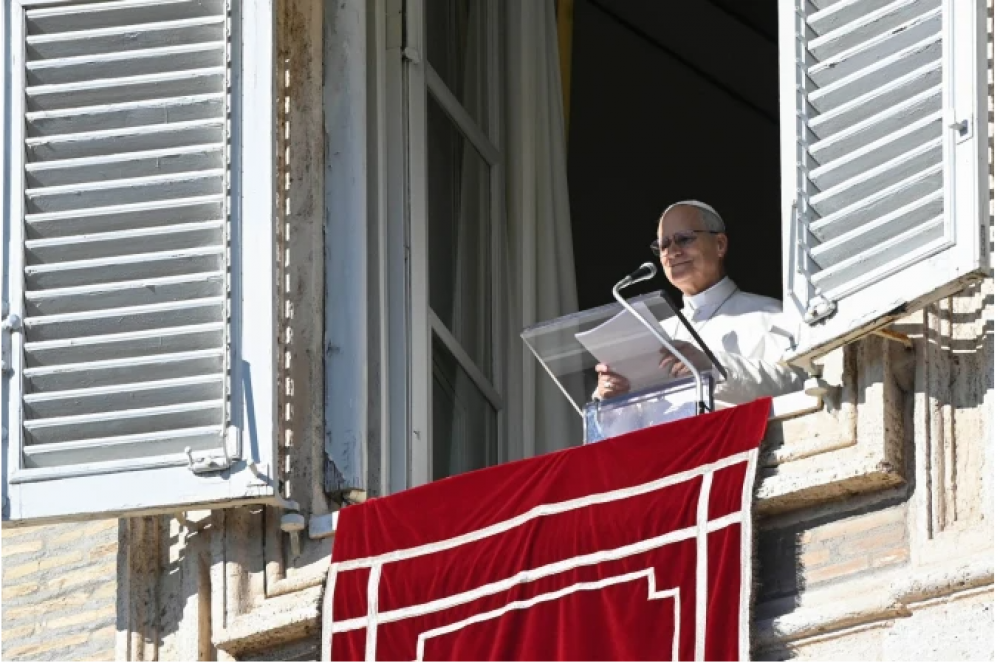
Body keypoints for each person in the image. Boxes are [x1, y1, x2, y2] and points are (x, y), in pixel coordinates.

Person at [595, 200, 803, 407]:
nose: (672, 252)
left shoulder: (769, 314)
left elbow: (795, 383)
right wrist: (614, 398)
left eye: (684, 239)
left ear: (720, 245)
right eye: (663, 245)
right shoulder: (658, 333)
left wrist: (714, 368)